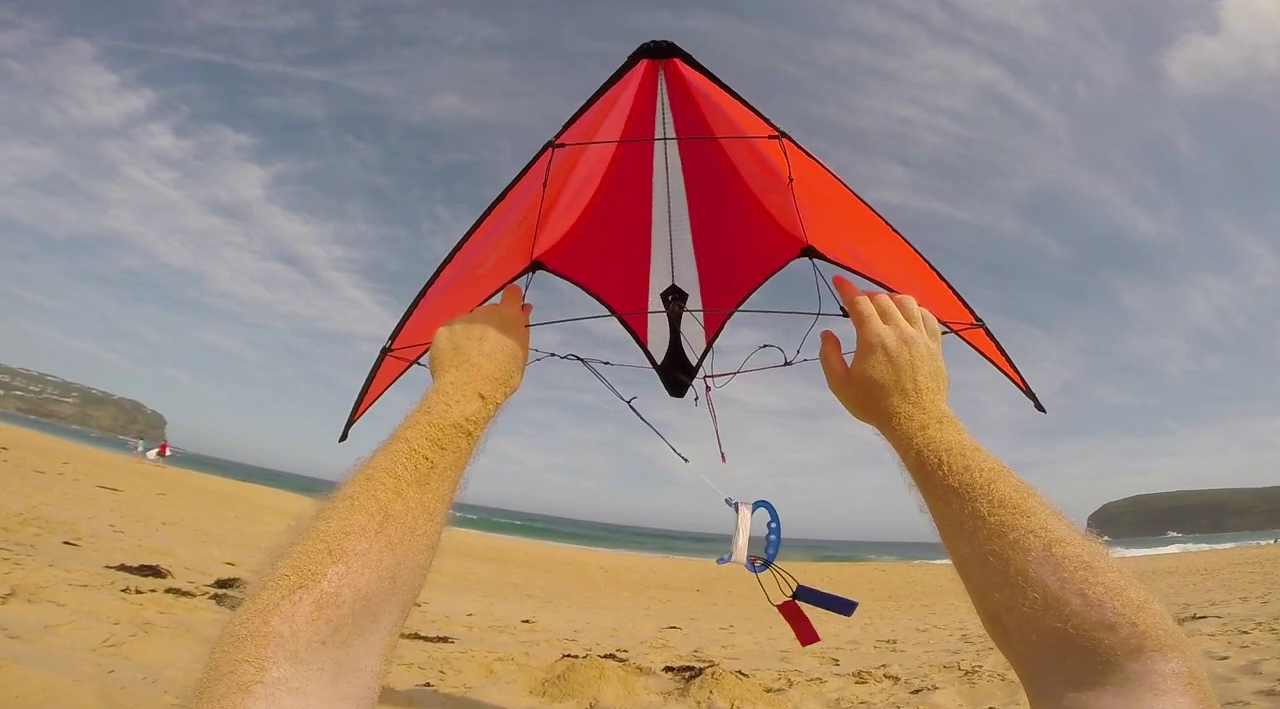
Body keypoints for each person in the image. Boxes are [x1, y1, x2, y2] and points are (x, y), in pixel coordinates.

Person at [189, 280, 1219, 709]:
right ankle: (808, 602)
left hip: (766, 563)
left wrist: (460, 399)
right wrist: (920, 420)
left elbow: (282, 676)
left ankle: (810, 605)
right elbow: (1136, 673)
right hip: (764, 560)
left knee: (790, 593)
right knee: (786, 590)